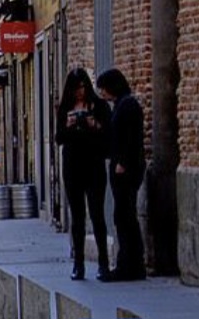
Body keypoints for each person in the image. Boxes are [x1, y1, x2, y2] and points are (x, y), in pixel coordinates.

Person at [55, 68, 112, 280]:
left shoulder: (99, 106)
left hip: (94, 166)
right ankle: (78, 264)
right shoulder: (65, 109)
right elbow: (59, 138)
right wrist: (69, 125)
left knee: (97, 215)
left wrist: (93, 124)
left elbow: (108, 135)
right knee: (77, 217)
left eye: (82, 87)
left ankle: (103, 263)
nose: (79, 92)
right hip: (72, 167)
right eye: (75, 88)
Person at [96, 67, 146, 282]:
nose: (102, 93)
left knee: (125, 216)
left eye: (104, 89)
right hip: (120, 167)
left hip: (126, 169)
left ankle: (130, 264)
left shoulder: (128, 106)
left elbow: (131, 138)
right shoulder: (119, 106)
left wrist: (123, 162)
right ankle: (128, 263)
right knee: (123, 216)